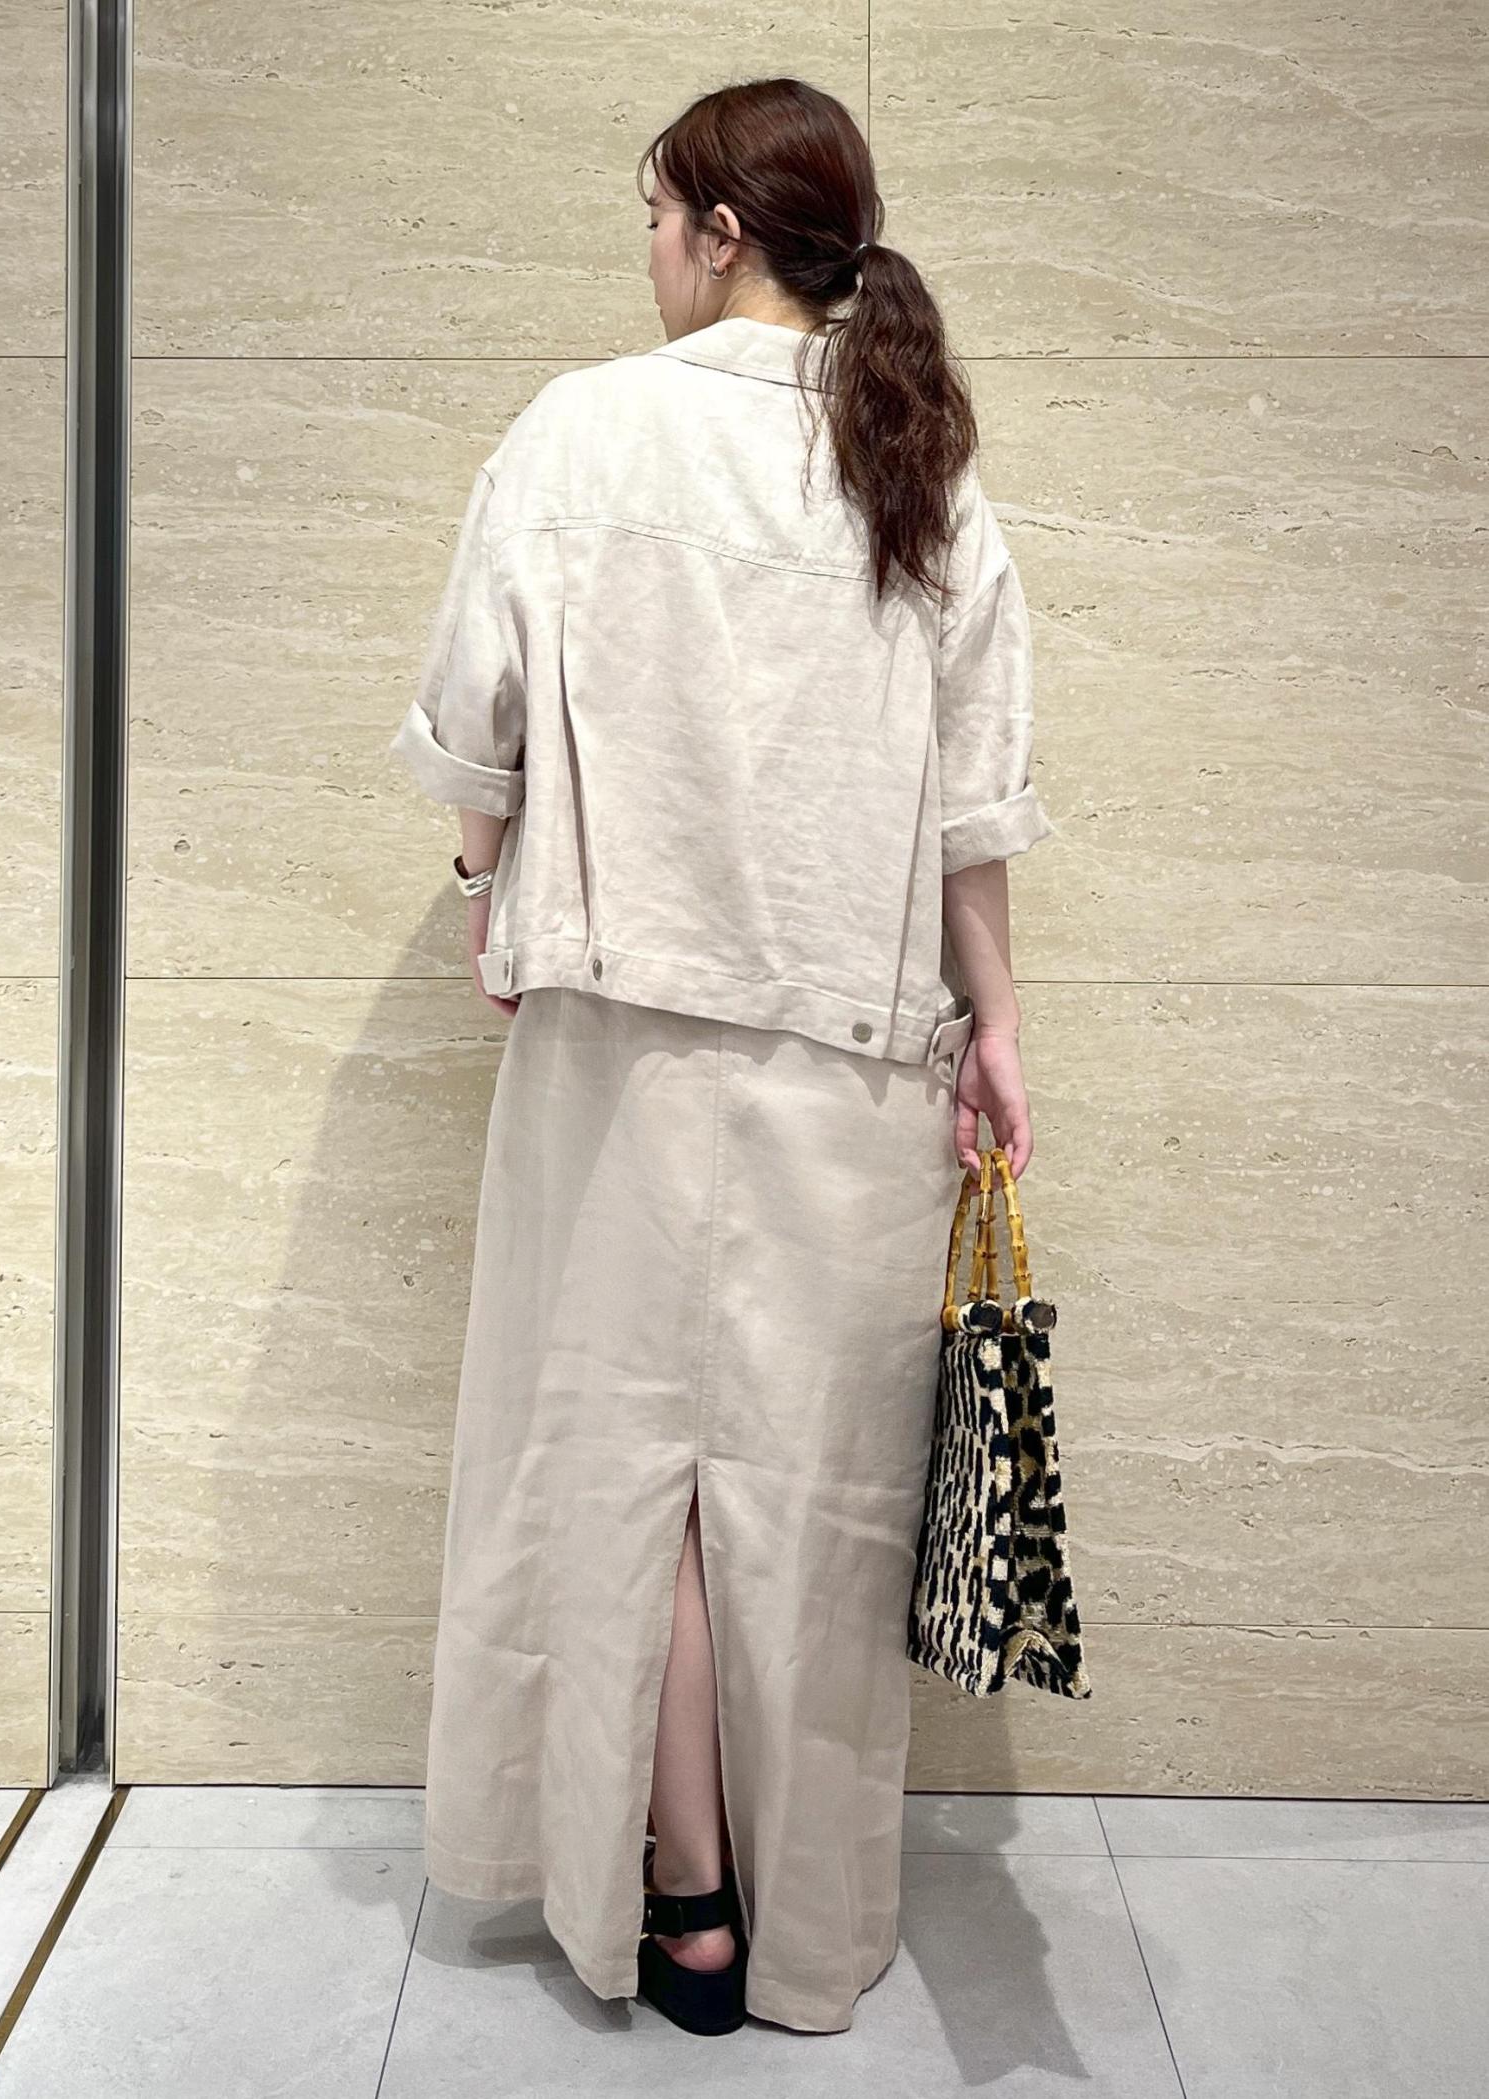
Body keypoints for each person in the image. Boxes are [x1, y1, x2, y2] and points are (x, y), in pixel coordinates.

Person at [388, 76, 1056, 2039]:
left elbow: (474, 721)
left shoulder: (577, 431)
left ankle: (684, 1901)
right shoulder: (915, 461)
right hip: (855, 1059)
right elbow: (975, 806)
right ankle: (811, 1927)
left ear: (719, 227)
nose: (651, 254)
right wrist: (1001, 1029)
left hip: (617, 1047)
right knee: (805, 1502)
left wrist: (489, 883)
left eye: (656, 217)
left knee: (626, 1474)